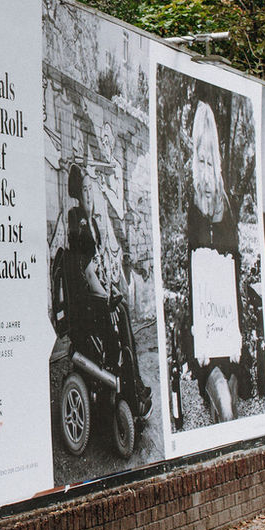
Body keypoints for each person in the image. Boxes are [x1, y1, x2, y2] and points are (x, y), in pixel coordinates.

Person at [65, 163, 152, 420]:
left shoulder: (92, 221)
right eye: (84, 190)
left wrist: (112, 288)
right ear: (77, 193)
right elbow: (88, 271)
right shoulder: (77, 220)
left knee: (123, 311)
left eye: (90, 188)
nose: (89, 194)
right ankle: (130, 389)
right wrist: (105, 297)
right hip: (87, 301)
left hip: (98, 293)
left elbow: (101, 266)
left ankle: (131, 383)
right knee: (120, 313)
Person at [178, 102, 248, 423]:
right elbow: (193, 275)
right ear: (196, 158)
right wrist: (199, 336)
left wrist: (236, 334)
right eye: (201, 159)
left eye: (211, 159)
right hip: (204, 329)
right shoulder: (191, 203)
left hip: (227, 327)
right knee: (219, 394)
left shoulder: (227, 202)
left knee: (230, 397)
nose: (206, 169)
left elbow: (233, 270)